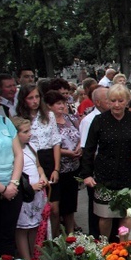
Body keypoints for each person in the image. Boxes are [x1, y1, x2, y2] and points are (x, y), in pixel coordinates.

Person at [81, 84, 131, 238]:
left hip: (127, 173)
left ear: (127, 102)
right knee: (105, 216)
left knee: (125, 214)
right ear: (108, 101)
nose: (116, 104)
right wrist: (87, 174)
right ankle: (106, 248)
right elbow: (89, 149)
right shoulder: (100, 120)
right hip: (104, 175)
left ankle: (123, 249)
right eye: (113, 101)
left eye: (120, 101)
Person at [16, 83, 61, 236]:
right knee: (38, 207)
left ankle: (54, 240)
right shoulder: (20, 119)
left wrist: (56, 168)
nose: (34, 101)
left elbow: (56, 141)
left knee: (54, 208)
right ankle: (39, 243)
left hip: (49, 158)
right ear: (24, 100)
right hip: (31, 159)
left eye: (37, 97)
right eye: (30, 98)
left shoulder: (49, 115)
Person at [11, 116, 48, 260]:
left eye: (29, 130)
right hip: (24, 194)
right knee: (22, 229)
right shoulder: (13, 151)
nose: (30, 133)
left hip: (37, 194)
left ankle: (35, 257)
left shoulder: (31, 146)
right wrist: (30, 186)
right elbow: (13, 174)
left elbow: (38, 165)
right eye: (25, 131)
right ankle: (25, 259)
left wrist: (43, 175)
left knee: (35, 225)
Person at [45, 90, 81, 236]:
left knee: (70, 204)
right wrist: (68, 152)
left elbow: (80, 134)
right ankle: (55, 236)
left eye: (63, 103)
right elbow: (50, 144)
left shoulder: (70, 118)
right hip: (58, 167)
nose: (62, 106)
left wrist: (79, 148)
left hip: (73, 167)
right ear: (49, 106)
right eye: (58, 103)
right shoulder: (47, 123)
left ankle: (71, 234)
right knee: (56, 207)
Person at [0, 86, 23, 257]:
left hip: (12, 186)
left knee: (8, 234)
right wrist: (2, 189)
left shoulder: (5, 122)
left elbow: (18, 154)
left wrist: (13, 183)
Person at [79, 86, 110, 238]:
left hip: (110, 168)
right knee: (96, 206)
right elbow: (86, 150)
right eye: (107, 99)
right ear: (97, 102)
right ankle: (95, 237)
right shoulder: (89, 120)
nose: (111, 102)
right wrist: (88, 173)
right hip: (96, 169)